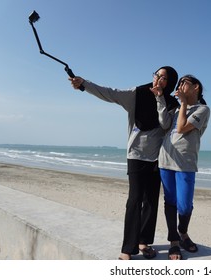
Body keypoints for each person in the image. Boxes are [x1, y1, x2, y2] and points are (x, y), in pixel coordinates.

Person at [69, 66, 179, 260]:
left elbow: (165, 125)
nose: (158, 80)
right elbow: (110, 93)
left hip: (157, 158)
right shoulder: (137, 94)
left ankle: (143, 242)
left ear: (169, 83)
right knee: (134, 200)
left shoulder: (171, 103)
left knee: (151, 202)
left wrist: (160, 98)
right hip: (136, 155)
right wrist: (84, 84)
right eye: (157, 75)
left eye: (164, 78)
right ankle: (128, 248)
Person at [153, 75, 210, 260]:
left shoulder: (202, 109)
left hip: (185, 163)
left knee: (184, 206)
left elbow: (182, 128)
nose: (180, 86)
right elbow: (164, 124)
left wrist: (184, 104)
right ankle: (174, 242)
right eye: (179, 84)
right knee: (170, 202)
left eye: (184, 83)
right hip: (166, 159)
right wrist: (160, 98)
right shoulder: (177, 108)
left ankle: (183, 232)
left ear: (196, 87)